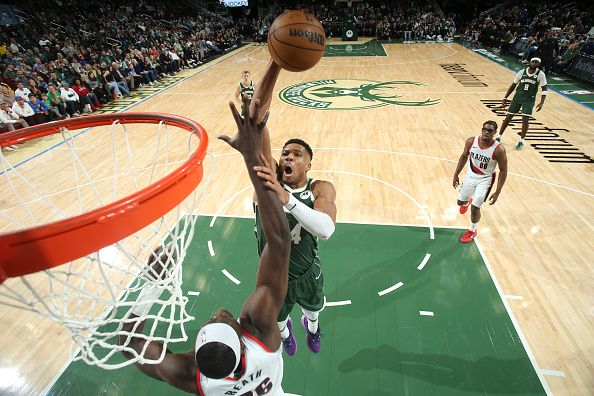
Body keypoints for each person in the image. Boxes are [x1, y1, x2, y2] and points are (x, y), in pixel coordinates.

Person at [119, 95, 291, 395]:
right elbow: (279, 243)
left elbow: (128, 345)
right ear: (242, 339)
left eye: (211, 321)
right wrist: (252, 157)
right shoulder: (260, 332)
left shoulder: (189, 375)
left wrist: (152, 285)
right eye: (224, 321)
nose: (218, 314)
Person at [250, 60, 337, 356]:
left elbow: (326, 230)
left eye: (296, 154)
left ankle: (312, 327)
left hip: (307, 270)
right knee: (280, 318)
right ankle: (288, 337)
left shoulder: (320, 189)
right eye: (285, 153)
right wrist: (275, 62)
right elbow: (257, 115)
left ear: (308, 164)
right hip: (274, 275)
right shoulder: (267, 181)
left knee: (314, 311)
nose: (287, 157)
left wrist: (288, 199)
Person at [453, 120, 508, 243]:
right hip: (470, 175)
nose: (486, 132)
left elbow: (503, 170)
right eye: (484, 129)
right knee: (460, 202)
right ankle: (467, 201)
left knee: (475, 208)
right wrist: (456, 174)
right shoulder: (471, 141)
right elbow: (463, 156)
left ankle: (472, 231)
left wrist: (497, 192)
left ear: (495, 133)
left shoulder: (499, 150)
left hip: (485, 179)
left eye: (490, 131)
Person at [497, 57, 548, 151]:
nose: (534, 63)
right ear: (529, 62)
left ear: (538, 64)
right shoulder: (521, 72)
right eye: (533, 61)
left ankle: (521, 141)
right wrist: (505, 98)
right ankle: (499, 136)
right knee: (508, 117)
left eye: (536, 62)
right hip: (518, 97)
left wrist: (541, 102)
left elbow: (544, 89)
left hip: (529, 99)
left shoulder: (540, 74)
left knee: (525, 120)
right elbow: (513, 85)